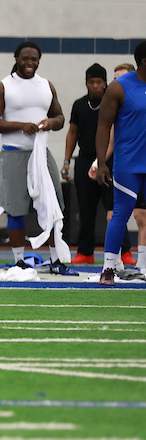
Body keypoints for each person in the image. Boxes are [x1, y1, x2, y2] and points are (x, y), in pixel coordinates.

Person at [0, 40, 73, 274]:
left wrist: (50, 122)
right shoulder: (3, 86)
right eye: (25, 58)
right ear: (16, 59)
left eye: (34, 59)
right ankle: (19, 260)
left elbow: (60, 118)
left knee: (53, 206)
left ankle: (56, 260)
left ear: (39, 61)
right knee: (15, 208)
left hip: (42, 154)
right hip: (14, 153)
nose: (30, 62)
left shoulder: (46, 85)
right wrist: (21, 126)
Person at [95, 44, 146, 286]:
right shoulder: (119, 87)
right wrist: (101, 162)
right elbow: (103, 126)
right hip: (128, 163)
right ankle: (108, 269)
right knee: (121, 213)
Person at [61, 63, 106, 263]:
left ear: (105, 83)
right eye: (91, 82)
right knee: (85, 208)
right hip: (85, 159)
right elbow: (72, 133)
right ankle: (85, 252)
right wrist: (66, 161)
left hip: (108, 160)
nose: (95, 86)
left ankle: (123, 252)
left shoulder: (112, 102)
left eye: (99, 82)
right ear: (86, 83)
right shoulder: (79, 105)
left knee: (114, 209)